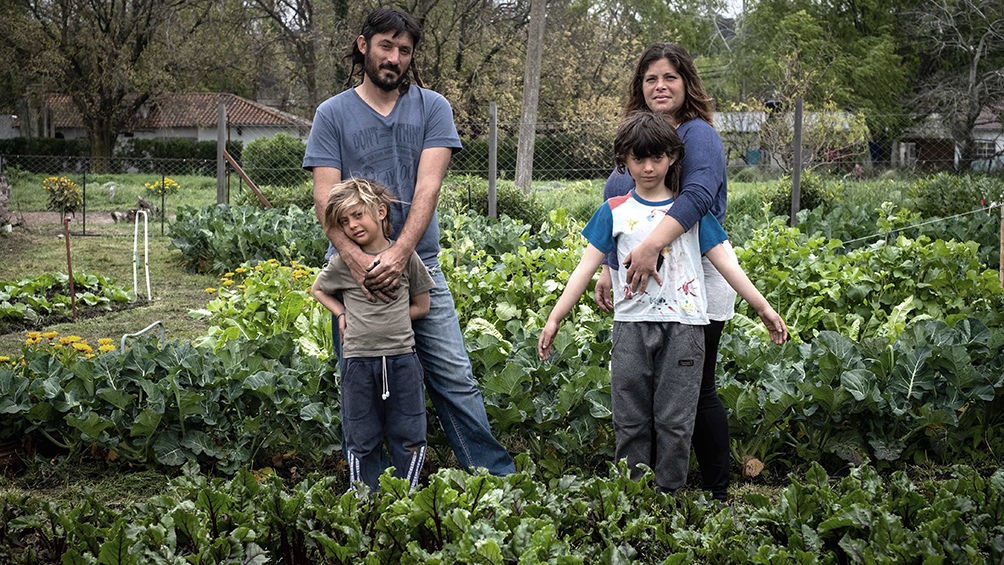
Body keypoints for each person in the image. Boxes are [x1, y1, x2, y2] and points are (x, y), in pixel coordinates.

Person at [302, 7, 515, 476]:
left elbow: (427, 189)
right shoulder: (331, 114)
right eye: (386, 46)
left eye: (404, 50)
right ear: (364, 46)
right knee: (360, 383)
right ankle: (370, 489)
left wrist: (400, 254)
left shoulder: (433, 107)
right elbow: (325, 199)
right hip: (351, 276)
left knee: (453, 377)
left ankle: (494, 476)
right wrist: (356, 261)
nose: (394, 57)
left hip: (420, 267)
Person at [540, 111, 787, 495]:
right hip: (630, 330)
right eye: (639, 159)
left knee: (675, 422)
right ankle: (634, 497)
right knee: (630, 420)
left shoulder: (690, 213)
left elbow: (727, 265)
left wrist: (763, 308)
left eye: (657, 158)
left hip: (686, 330)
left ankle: (668, 498)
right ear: (625, 161)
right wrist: (556, 318)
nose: (649, 167)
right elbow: (583, 269)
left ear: (673, 157)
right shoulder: (613, 211)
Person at [595, 43, 736, 502]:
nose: (660, 86)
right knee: (648, 392)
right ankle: (649, 488)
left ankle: (716, 488)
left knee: (696, 388)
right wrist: (608, 268)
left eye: (670, 77)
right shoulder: (639, 134)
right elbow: (619, 209)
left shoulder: (698, 135)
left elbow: (696, 197)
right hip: (642, 283)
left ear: (686, 83)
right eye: (651, 78)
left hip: (696, 275)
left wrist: (654, 246)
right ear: (640, 85)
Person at [311, 178, 434, 492]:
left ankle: (405, 496)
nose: (351, 225)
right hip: (358, 363)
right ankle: (364, 498)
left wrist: (393, 319)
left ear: (380, 211)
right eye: (343, 221)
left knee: (408, 433)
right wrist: (341, 313)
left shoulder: (406, 259)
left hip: (402, 360)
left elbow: (422, 305)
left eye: (357, 215)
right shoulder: (342, 263)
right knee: (361, 435)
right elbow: (317, 290)